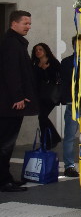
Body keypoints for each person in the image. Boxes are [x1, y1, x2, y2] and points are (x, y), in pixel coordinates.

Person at [0, 10, 38, 192]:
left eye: (30, 24)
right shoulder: (11, 44)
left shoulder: (16, 43)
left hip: (12, 103)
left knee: (8, 143)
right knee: (5, 143)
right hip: (9, 105)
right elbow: (12, 73)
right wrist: (17, 97)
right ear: (13, 24)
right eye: (25, 23)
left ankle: (6, 178)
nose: (28, 27)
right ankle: (3, 181)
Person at [32, 42, 62, 149]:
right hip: (39, 96)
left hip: (50, 96)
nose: (38, 52)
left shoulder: (53, 62)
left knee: (42, 117)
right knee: (42, 118)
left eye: (40, 49)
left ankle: (52, 140)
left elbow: (57, 78)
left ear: (45, 50)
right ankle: (47, 142)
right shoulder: (35, 64)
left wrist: (45, 70)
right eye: (36, 50)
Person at [59, 36, 80, 177]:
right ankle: (69, 166)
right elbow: (65, 82)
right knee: (70, 137)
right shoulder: (67, 62)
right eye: (77, 44)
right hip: (73, 104)